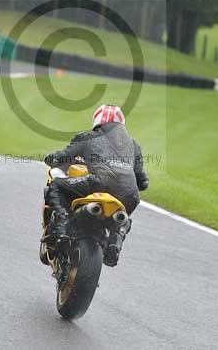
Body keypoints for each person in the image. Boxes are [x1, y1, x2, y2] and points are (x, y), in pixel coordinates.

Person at [42, 104, 149, 267]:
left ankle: (60, 228)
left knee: (56, 185)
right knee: (122, 217)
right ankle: (115, 242)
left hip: (99, 183)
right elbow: (143, 183)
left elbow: (60, 158)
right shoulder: (134, 145)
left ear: (97, 122)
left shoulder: (87, 137)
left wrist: (50, 158)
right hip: (130, 195)